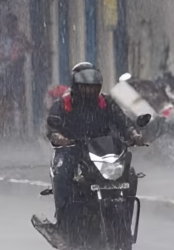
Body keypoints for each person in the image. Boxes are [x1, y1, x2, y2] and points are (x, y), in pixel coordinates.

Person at [46, 62, 145, 230]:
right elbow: (52, 127)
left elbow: (123, 122)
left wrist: (134, 134)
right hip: (72, 150)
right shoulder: (63, 104)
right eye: (85, 88)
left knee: (129, 174)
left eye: (93, 88)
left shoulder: (106, 103)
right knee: (62, 173)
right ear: (76, 86)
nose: (90, 91)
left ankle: (124, 220)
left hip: (102, 150)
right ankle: (62, 226)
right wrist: (60, 137)